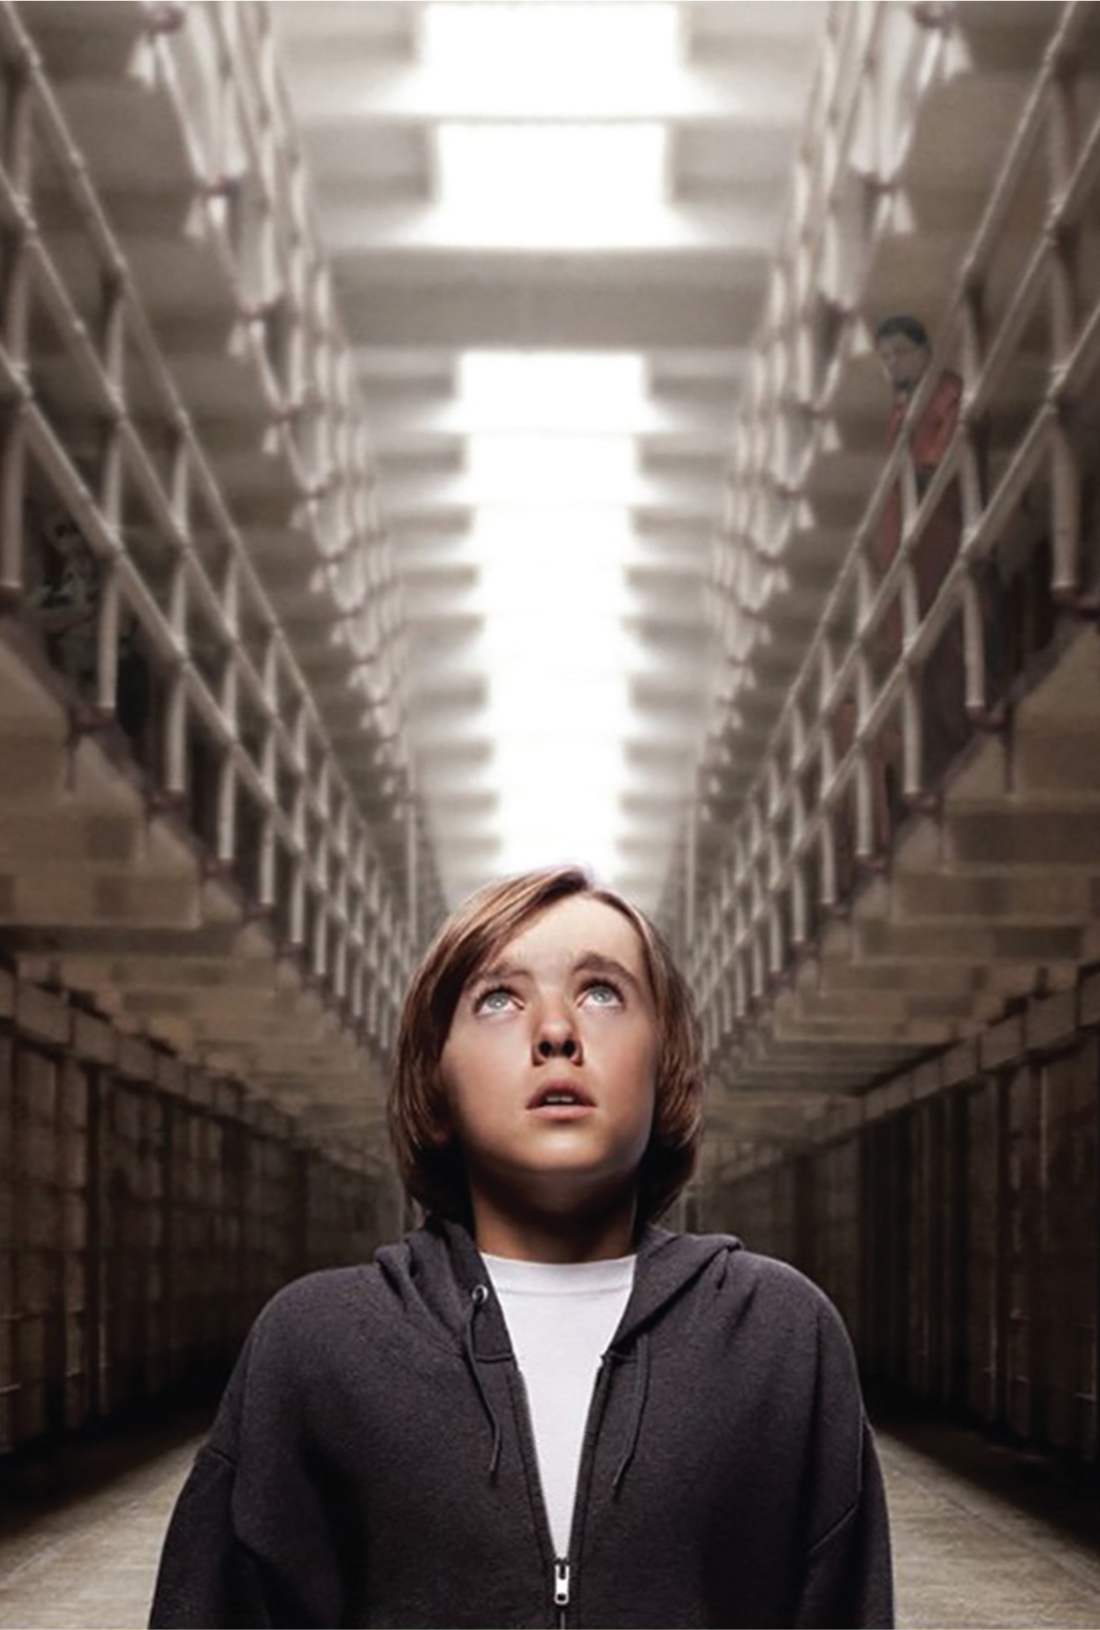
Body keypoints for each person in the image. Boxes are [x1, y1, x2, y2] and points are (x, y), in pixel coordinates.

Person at [149, 865, 893, 1628]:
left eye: (602, 993)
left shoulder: (778, 1335)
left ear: (664, 1068)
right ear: (436, 1084)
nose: (556, 1030)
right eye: (499, 999)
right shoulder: (317, 1345)